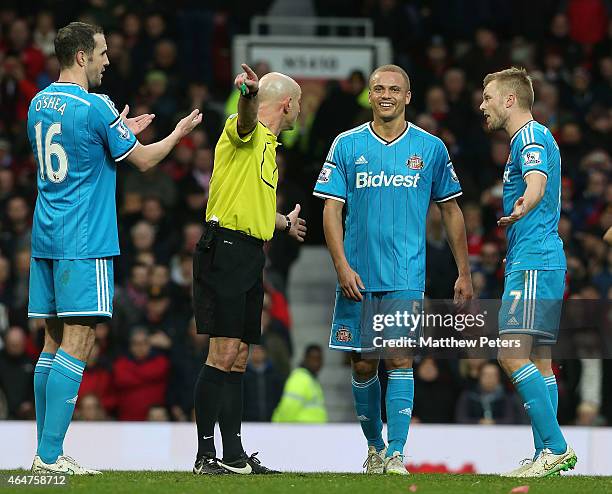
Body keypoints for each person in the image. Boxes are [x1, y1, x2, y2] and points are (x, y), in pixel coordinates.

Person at [27, 21, 201, 475]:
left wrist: (118, 131)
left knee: (51, 341)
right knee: (80, 340)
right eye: (102, 53)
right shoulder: (96, 106)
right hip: (85, 239)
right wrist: (177, 133)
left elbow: (79, 149)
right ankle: (49, 457)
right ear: (82, 56)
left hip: (45, 235)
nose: (108, 60)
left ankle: (43, 453)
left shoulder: (37, 103)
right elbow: (142, 161)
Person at [314, 64, 473, 475]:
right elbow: (331, 209)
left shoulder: (431, 148)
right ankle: (374, 449)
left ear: (408, 96)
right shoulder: (346, 145)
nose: (386, 94)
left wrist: (464, 271)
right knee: (364, 363)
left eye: (394, 89)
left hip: (406, 273)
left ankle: (398, 454)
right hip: (357, 275)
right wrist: (341, 265)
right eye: (378, 88)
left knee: (400, 358)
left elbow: (451, 209)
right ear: (369, 95)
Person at [192, 63, 306, 475]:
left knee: (239, 357)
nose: (301, 113)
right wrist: (249, 95)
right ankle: (206, 457)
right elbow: (243, 120)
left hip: (249, 251)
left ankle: (235, 456)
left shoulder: (270, 149)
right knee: (221, 353)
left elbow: (250, 204)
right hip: (224, 249)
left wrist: (283, 222)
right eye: (300, 105)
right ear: (288, 104)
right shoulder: (246, 131)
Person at [480, 67, 577, 477]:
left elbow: (536, 180)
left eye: (487, 97)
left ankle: (555, 446)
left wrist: (526, 203)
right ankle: (545, 455)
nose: (481, 105)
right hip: (539, 257)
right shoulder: (529, 139)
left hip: (534, 259)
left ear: (508, 100)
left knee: (510, 353)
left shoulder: (531, 137)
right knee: (538, 360)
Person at [271, 344, 327, 423]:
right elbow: (289, 407)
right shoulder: (300, 379)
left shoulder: (310, 379)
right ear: (305, 359)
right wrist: (282, 430)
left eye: (319, 359)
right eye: (313, 359)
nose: (316, 363)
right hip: (300, 432)